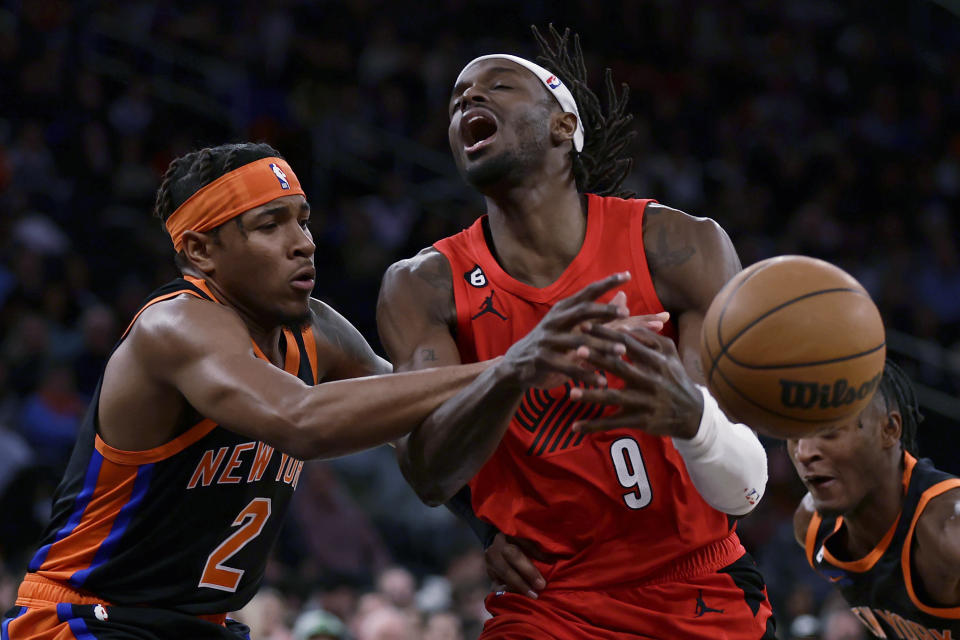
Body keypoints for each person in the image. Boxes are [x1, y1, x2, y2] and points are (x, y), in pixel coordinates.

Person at [0, 142, 624, 639]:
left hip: (199, 625)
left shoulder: (318, 331)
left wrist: (490, 527)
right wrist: (507, 365)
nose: (304, 241)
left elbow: (417, 421)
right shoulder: (175, 326)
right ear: (199, 250)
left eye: (302, 219)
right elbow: (300, 420)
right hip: (86, 618)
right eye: (270, 225)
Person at [377, 26, 773, 639]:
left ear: (564, 126)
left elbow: (742, 491)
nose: (467, 100)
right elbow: (429, 475)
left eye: (498, 85)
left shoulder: (676, 246)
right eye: (457, 98)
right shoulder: (423, 286)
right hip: (549, 601)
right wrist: (512, 370)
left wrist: (693, 416)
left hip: (696, 584)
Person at [789, 360, 960, 638]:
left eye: (829, 432)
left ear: (889, 429)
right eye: (794, 436)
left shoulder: (948, 530)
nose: (804, 453)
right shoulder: (810, 525)